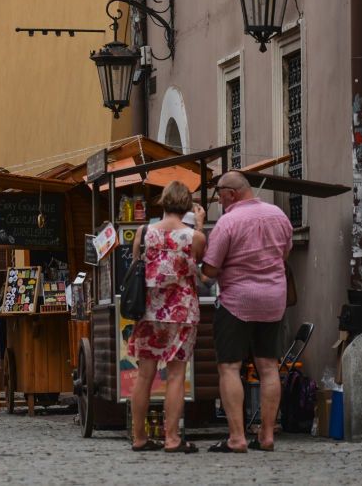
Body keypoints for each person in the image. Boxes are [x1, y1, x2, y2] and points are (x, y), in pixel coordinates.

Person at [202, 171, 293, 453]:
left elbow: (210, 270)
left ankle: (237, 437)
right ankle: (266, 436)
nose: (218, 198)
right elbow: (284, 254)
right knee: (268, 368)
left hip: (237, 303)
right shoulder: (279, 215)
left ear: (232, 193)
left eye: (219, 192)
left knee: (230, 367)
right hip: (273, 300)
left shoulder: (228, 222)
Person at [125, 181, 206, 453]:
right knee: (175, 375)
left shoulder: (144, 232)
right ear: (186, 206)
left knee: (144, 375)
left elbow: (137, 264)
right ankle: (172, 439)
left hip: (149, 311)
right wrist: (200, 226)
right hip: (181, 312)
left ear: (163, 202)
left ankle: (139, 437)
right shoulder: (194, 236)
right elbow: (199, 264)